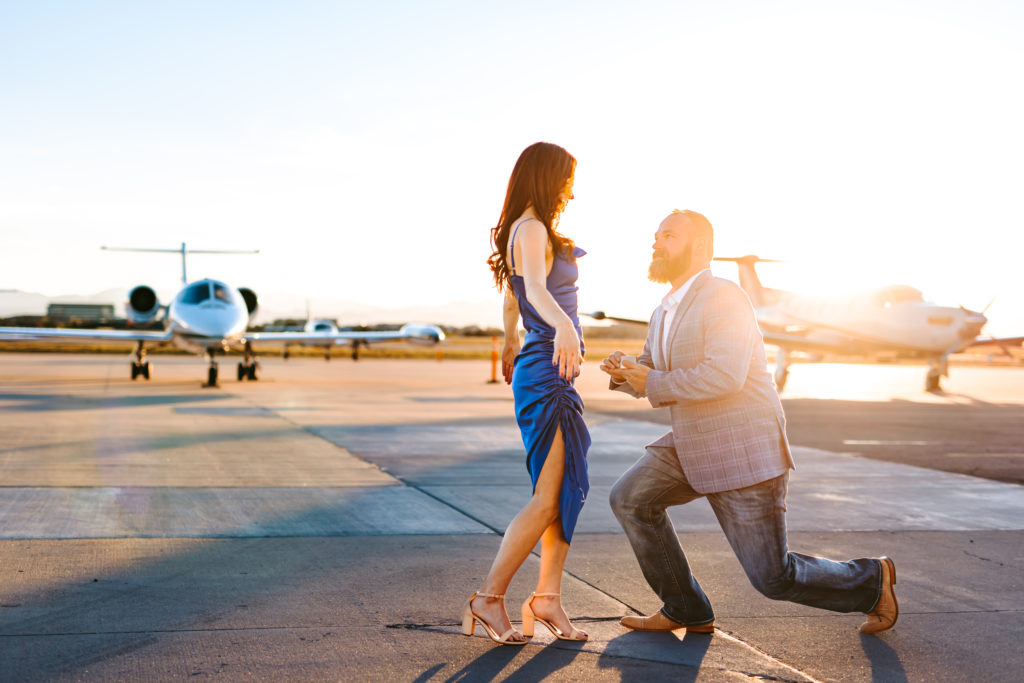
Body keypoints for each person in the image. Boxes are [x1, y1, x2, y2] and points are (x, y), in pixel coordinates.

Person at [600, 209, 898, 635]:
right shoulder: (665, 308)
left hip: (743, 448)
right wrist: (625, 370)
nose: (656, 243)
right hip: (692, 442)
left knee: (773, 578)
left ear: (699, 245)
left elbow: (724, 375)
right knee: (630, 499)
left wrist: (651, 379)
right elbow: (654, 367)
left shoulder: (724, 296)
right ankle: (685, 606)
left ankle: (870, 580)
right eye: (655, 236)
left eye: (668, 235)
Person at [461, 142, 591, 645]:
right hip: (547, 372)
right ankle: (488, 598)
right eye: (566, 179)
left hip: (545, 363)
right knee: (546, 497)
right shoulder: (532, 228)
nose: (570, 190)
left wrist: (513, 337)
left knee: (564, 490)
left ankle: (549, 598)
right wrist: (562, 327)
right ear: (546, 177)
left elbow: (514, 299)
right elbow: (535, 288)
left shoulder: (525, 229)